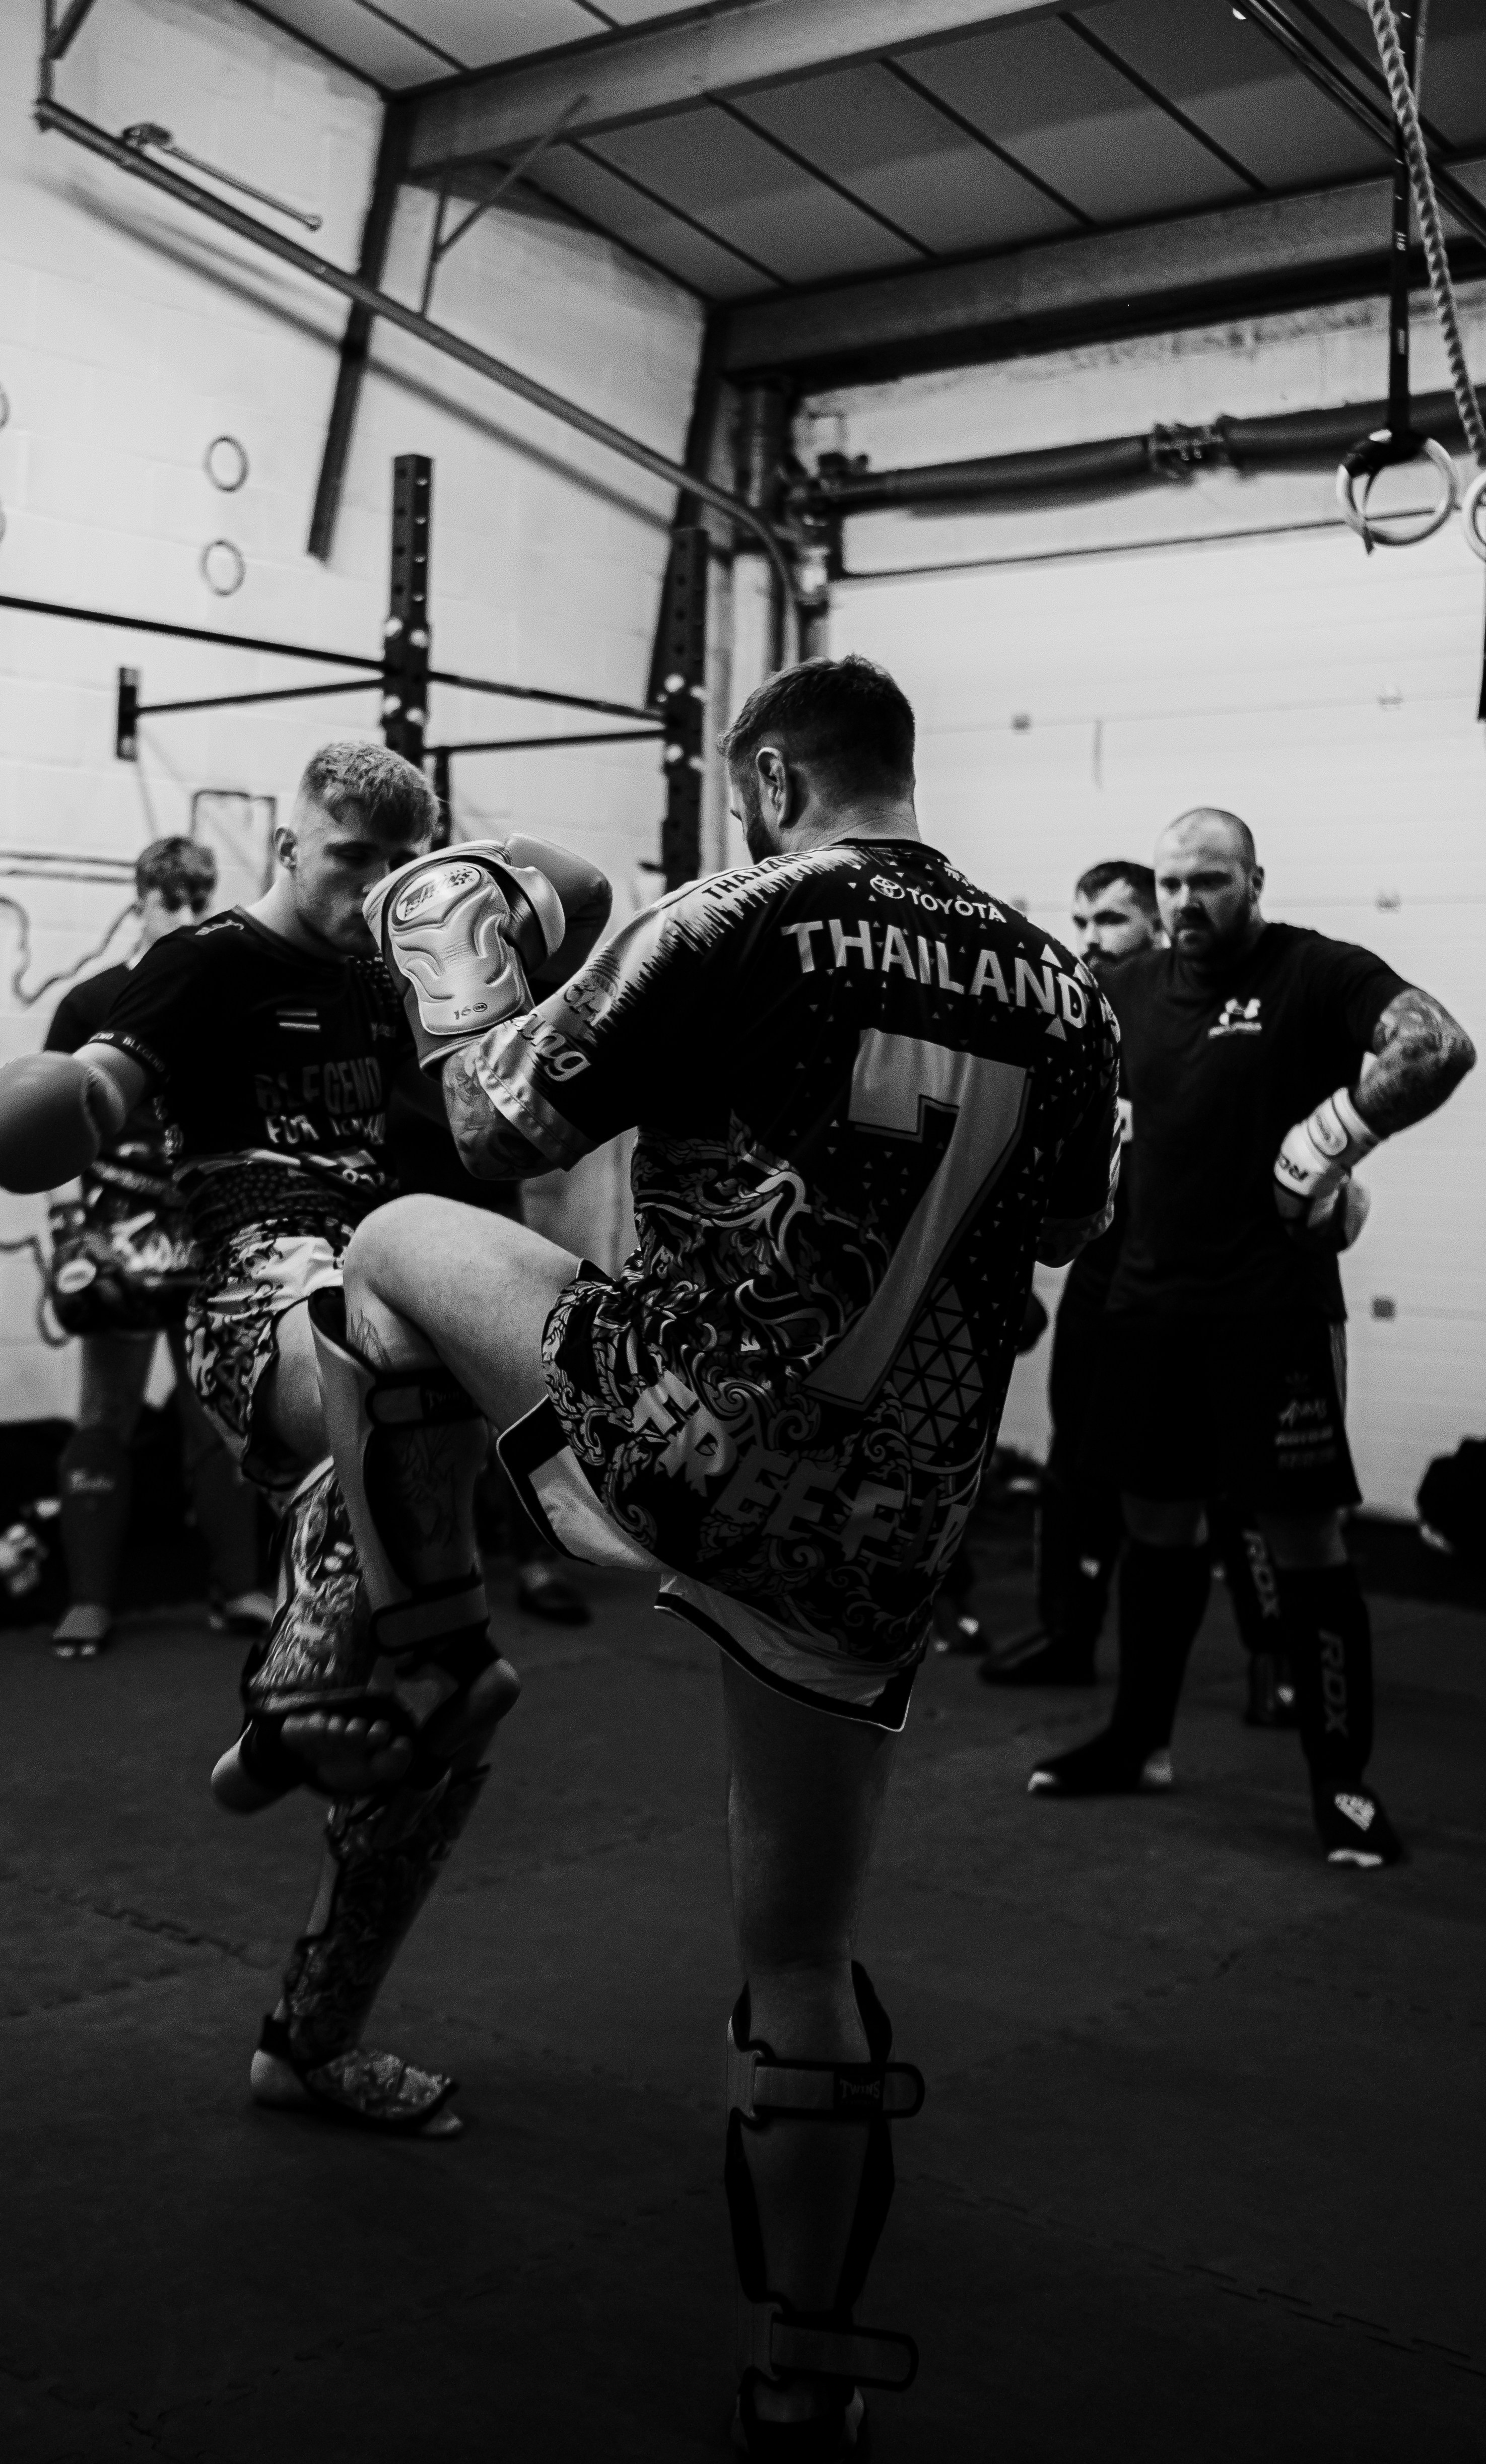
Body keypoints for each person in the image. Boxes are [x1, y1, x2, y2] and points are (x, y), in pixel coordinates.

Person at [286, 657, 1119, 2450]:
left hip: (669, 1435)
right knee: (801, 1949)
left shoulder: (736, 912)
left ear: (763, 774)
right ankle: (807, 2362)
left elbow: (493, 1125)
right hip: (889, 1525)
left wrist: (452, 929)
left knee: (392, 1236)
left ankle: (376, 1635)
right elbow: (1060, 1226)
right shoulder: (1062, 980)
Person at [0, 744, 610, 2135]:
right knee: (386, 1271)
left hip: (398, 1361)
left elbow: (580, 894)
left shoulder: (408, 970)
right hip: (266, 1309)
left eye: (395, 862)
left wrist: (467, 892)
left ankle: (310, 2039)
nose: (370, 889)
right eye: (346, 861)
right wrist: (71, 1104)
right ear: (285, 842)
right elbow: (103, 1081)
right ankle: (299, 1671)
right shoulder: (206, 965)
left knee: (456, 1713)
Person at [1028, 807, 1474, 1867]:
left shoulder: (1313, 972)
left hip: (1270, 1317)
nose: (1187, 901)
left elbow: (1439, 1043)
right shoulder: (1125, 992)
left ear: (1255, 880)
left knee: (1307, 1545)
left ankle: (1343, 1784)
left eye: (1211, 881)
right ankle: (1140, 1741)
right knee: (1157, 1529)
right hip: (1145, 1306)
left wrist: (1329, 1144)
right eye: (1173, 883)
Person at [41, 834, 266, 1659]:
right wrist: (71, 1234)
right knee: (106, 1408)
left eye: (193, 901)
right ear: (139, 900)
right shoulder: (92, 1001)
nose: (179, 914)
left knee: (221, 1412)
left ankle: (238, 1587)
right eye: (166, 901)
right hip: (118, 1228)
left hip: (207, 1221)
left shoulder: (230, 1000)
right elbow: (49, 1125)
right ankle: (90, 1598)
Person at [982, 859, 1161, 1689]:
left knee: (1203, 1478)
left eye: (1113, 922)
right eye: (1082, 922)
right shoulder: (1069, 1020)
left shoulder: (1186, 1020)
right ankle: (1066, 1634)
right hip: (1100, 1269)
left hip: (1184, 1276)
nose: (1091, 940)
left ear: (1154, 927)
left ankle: (1274, 1662)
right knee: (1071, 1458)